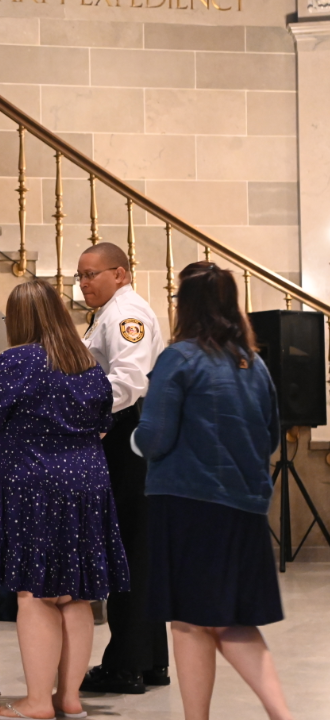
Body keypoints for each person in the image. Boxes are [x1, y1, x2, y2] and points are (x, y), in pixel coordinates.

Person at [0, 279, 129, 720]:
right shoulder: (86, 363)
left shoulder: (17, 360)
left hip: (34, 487)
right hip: (86, 486)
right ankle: (68, 699)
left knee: (34, 596)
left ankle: (37, 702)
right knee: (74, 596)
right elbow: (101, 426)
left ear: (18, 319)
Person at [134, 262, 290, 720]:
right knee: (217, 619)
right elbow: (271, 436)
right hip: (245, 504)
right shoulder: (254, 364)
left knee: (196, 620)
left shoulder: (178, 357)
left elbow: (156, 436)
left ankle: (277, 714)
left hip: (189, 503)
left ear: (184, 304)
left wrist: (130, 437)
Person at [75, 242, 169, 695]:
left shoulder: (124, 315)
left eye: (92, 274)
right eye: (80, 276)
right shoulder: (111, 312)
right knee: (139, 550)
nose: (84, 282)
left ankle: (125, 666)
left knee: (128, 550)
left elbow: (128, 381)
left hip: (126, 435)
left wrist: (79, 410)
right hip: (135, 435)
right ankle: (150, 662)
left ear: (121, 273)